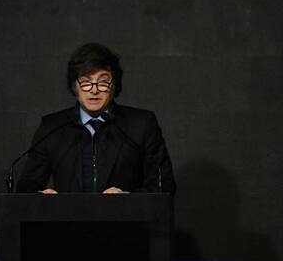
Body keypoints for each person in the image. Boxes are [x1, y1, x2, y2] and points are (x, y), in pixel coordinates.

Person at [16, 43, 176, 194]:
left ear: (114, 85)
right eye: (85, 82)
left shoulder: (141, 124)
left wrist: (128, 198)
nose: (94, 90)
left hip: (125, 221)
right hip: (68, 222)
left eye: (103, 82)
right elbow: (27, 185)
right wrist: (40, 196)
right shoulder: (51, 127)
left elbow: (164, 184)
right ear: (74, 86)